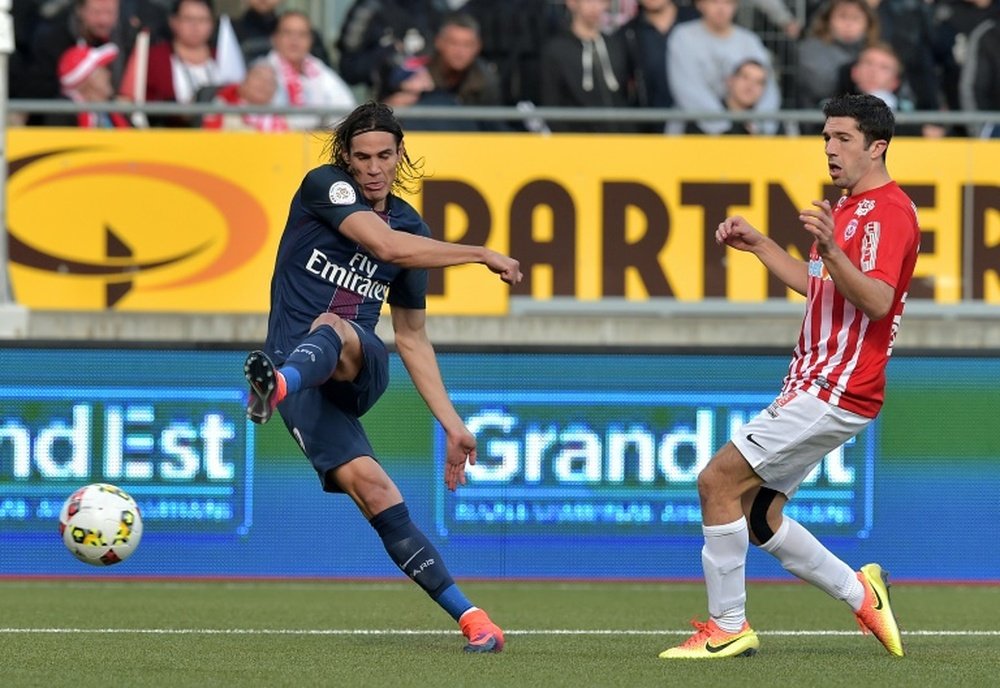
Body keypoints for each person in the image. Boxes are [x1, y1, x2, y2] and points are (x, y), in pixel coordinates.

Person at [242, 101, 521, 653]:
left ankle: (272, 386)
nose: (373, 167)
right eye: (363, 156)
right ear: (346, 157)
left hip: (355, 366)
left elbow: (412, 337)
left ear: (399, 157)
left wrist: (452, 424)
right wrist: (480, 252)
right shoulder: (325, 187)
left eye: (385, 156)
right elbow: (383, 246)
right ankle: (475, 619)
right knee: (376, 492)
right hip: (300, 379)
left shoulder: (411, 229)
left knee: (334, 324)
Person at [659, 93, 919, 659]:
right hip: (814, 382)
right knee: (759, 515)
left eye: (843, 138)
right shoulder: (846, 208)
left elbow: (876, 299)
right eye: (826, 137)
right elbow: (820, 283)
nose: (829, 148)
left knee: (716, 482)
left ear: (877, 147)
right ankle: (862, 592)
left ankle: (728, 626)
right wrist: (761, 247)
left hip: (837, 387)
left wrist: (831, 247)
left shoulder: (889, 213)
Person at [666, 0, 781, 135]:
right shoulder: (683, 37)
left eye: (728, 2)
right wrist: (723, 127)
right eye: (714, 2)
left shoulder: (750, 41)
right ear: (700, 4)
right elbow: (688, 89)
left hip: (746, 133)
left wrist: (760, 126)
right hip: (695, 132)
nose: (721, 8)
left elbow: (768, 87)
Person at [382, 11, 504, 131]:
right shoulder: (415, 72)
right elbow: (383, 112)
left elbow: (492, 125)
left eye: (467, 44)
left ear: (478, 47)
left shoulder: (485, 80)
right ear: (439, 42)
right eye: (453, 43)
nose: (460, 52)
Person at [538, 0, 636, 133]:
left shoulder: (617, 46)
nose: (595, 7)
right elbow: (551, 104)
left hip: (622, 143)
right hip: (577, 145)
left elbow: (627, 96)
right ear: (572, 3)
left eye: (601, 1)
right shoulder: (556, 51)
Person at [266, 10, 357, 130]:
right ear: (275, 38)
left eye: (301, 35)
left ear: (311, 40)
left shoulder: (318, 70)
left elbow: (346, 110)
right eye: (287, 33)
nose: (294, 41)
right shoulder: (262, 70)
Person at [40, 42, 133, 127]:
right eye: (103, 69)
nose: (108, 74)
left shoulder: (114, 109)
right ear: (87, 79)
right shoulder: (64, 113)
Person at [201, 59, 288, 131]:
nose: (263, 84)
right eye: (258, 78)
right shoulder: (222, 107)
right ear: (244, 81)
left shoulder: (285, 116)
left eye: (270, 82)